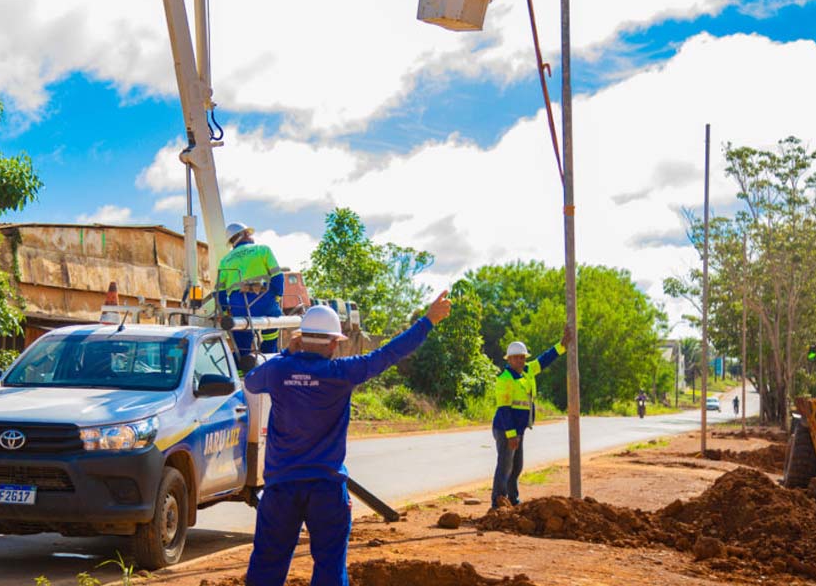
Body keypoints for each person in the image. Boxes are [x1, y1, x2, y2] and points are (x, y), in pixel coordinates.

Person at [244, 291, 453, 586]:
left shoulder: (279, 369)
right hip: (327, 489)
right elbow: (389, 353)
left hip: (281, 488)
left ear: (301, 338)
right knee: (330, 566)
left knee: (267, 566)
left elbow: (251, 382)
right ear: (333, 343)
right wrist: (427, 321)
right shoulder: (341, 372)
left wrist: (288, 353)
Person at [492, 327, 572, 510]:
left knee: (516, 466)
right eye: (516, 357)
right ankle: (498, 503)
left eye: (522, 357)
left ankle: (512, 500)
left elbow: (544, 359)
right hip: (506, 429)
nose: (520, 360)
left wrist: (561, 346)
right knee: (505, 467)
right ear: (509, 359)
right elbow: (504, 409)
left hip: (518, 430)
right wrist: (511, 435)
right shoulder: (505, 379)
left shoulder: (527, 371)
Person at [216, 221, 284, 358]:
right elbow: (278, 277)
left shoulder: (225, 261)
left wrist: (224, 312)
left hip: (239, 307)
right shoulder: (262, 250)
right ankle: (268, 356)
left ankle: (242, 365)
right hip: (265, 302)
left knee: (241, 344)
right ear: (245, 234)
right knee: (272, 330)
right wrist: (277, 296)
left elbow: (220, 293)